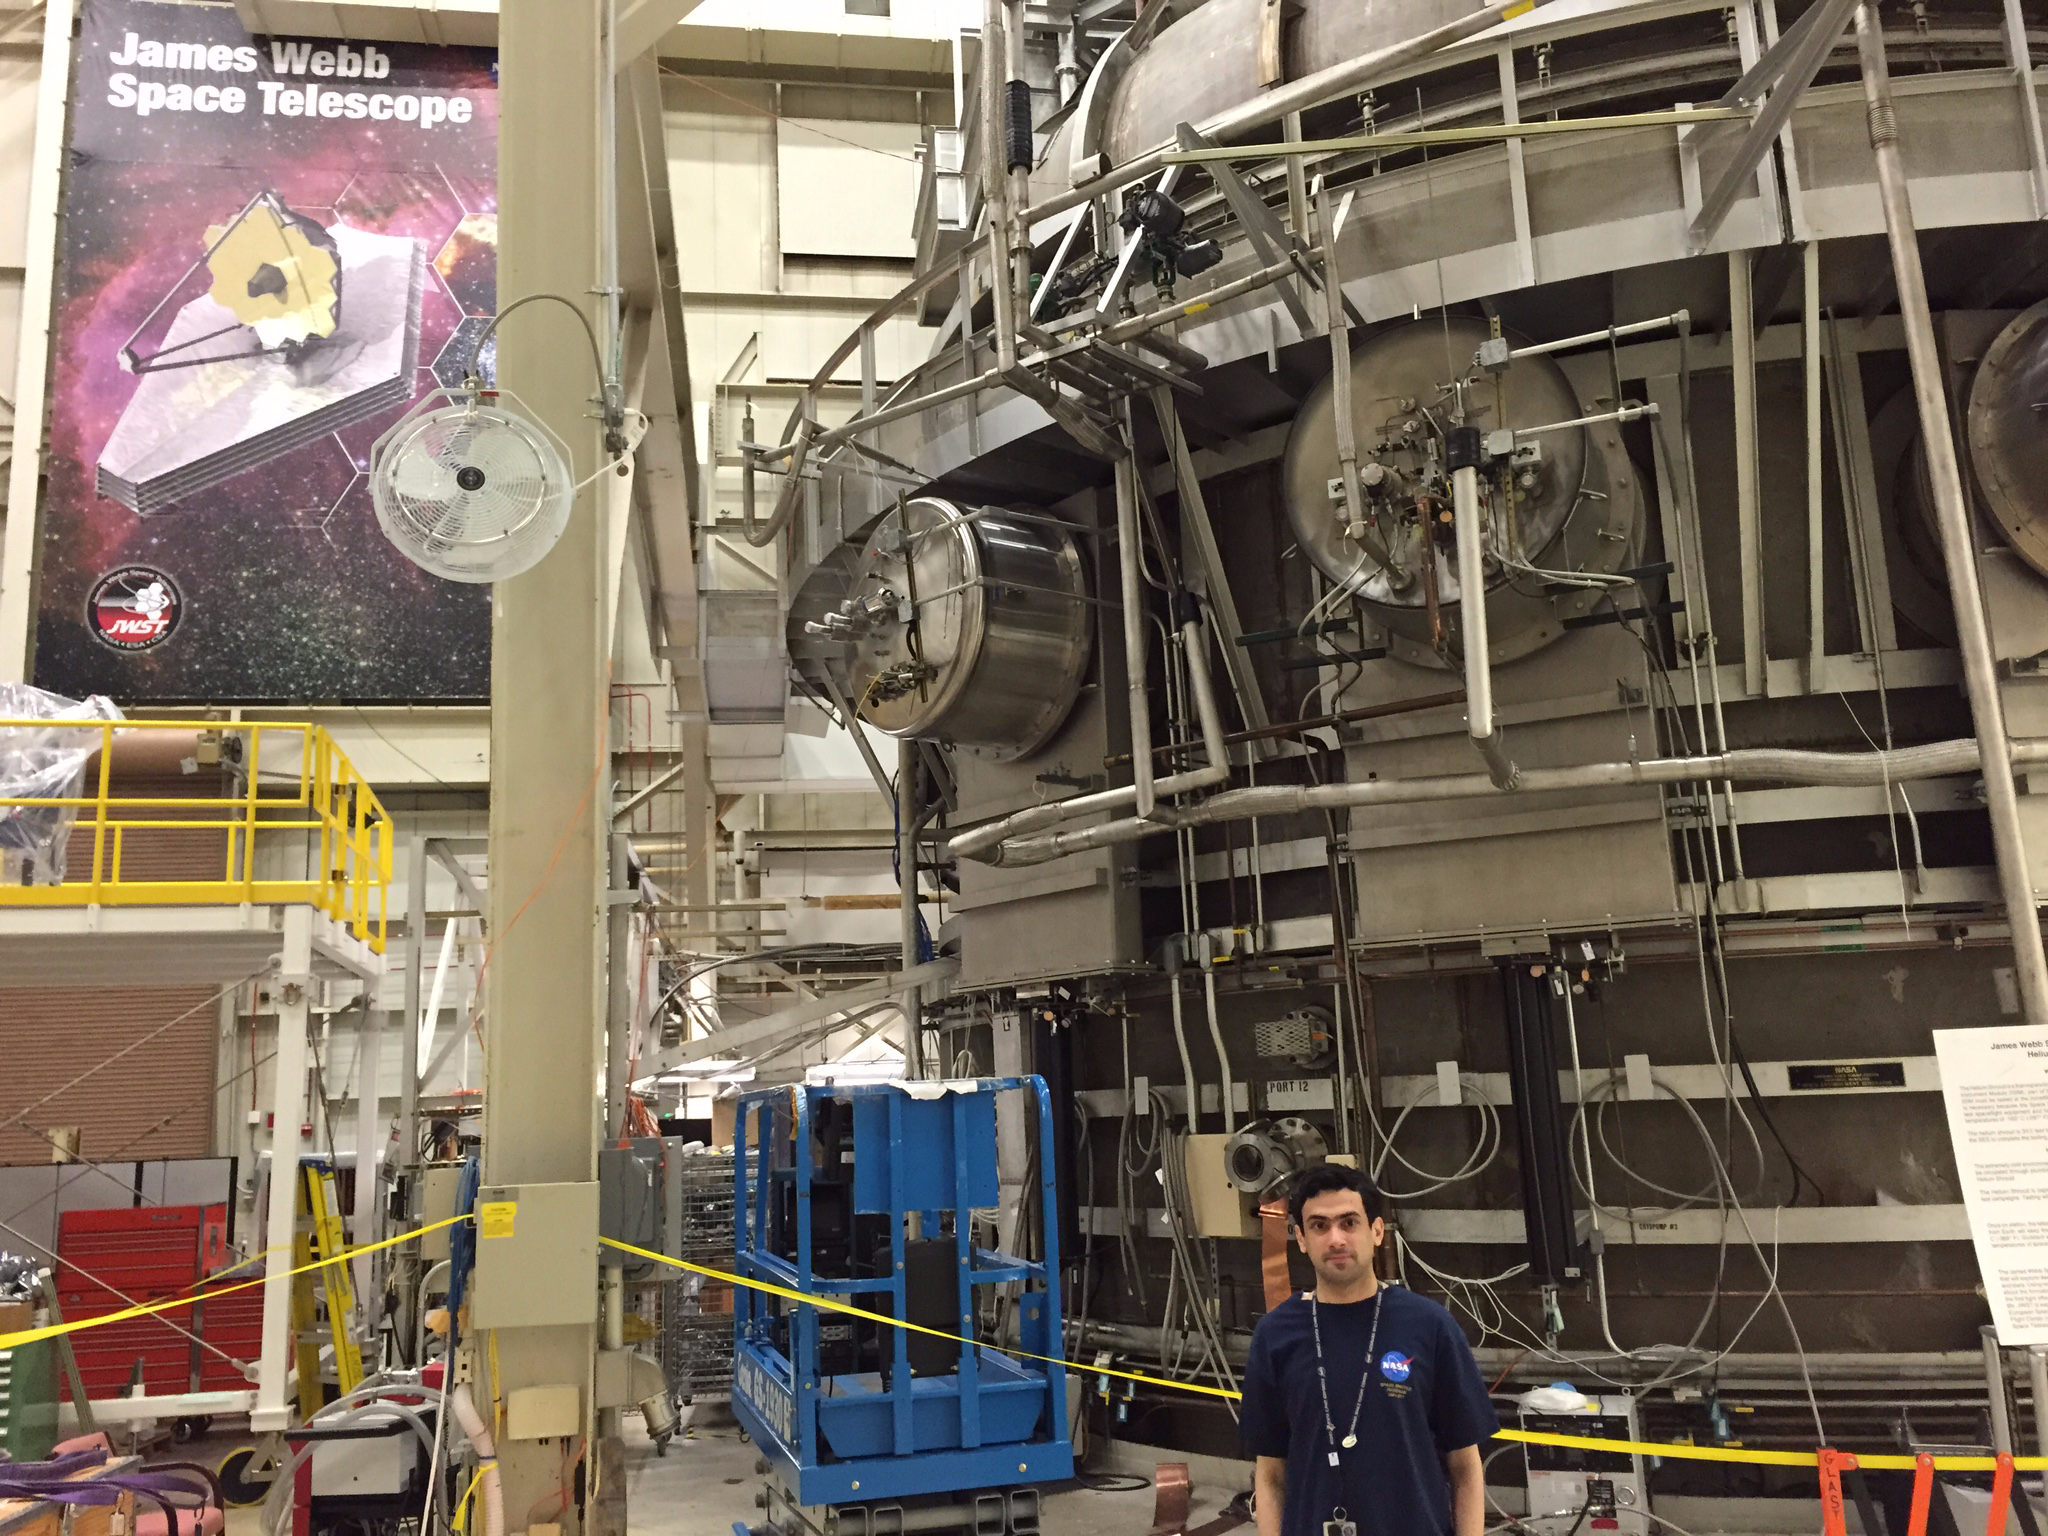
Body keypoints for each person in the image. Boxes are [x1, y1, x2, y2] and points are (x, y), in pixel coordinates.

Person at [1240, 1164, 1497, 1536]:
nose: (1336, 1239)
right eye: (1319, 1226)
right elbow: (1270, 1473)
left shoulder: (1428, 1325)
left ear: (1376, 1231)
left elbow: (1466, 1466)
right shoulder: (1275, 1334)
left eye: (1349, 1223)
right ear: (1300, 1237)